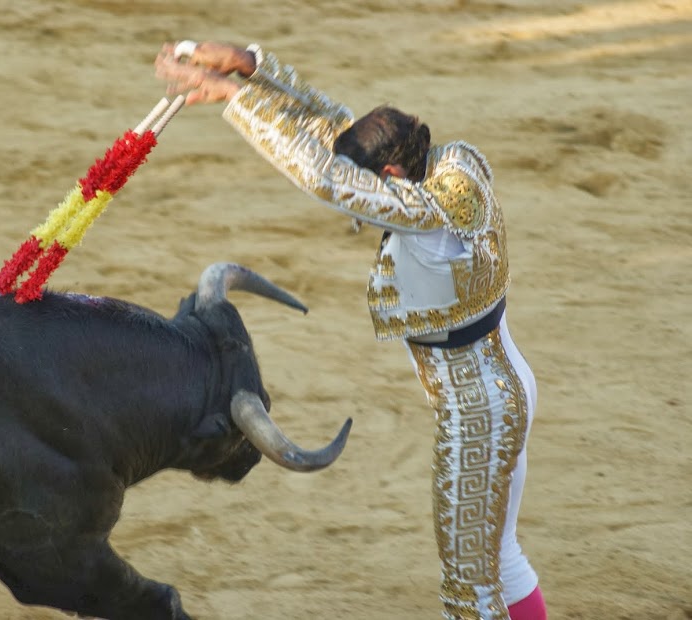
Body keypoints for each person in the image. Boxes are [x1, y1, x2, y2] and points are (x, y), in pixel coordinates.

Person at [154, 40, 548, 620]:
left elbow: (325, 175)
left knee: (469, 587)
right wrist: (257, 71)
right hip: (503, 381)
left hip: (477, 410)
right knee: (498, 559)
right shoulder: (448, 161)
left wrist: (237, 98)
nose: (359, 213)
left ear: (390, 176)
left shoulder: (426, 216)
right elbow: (335, 132)